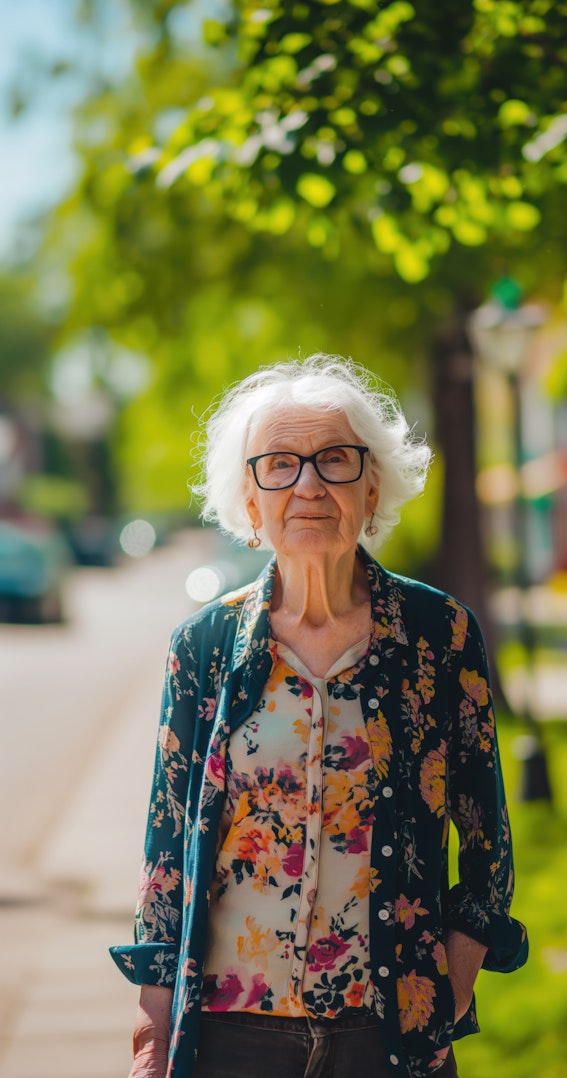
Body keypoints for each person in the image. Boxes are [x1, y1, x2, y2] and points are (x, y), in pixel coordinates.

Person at [111, 354, 528, 1078]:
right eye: (279, 464)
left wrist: (460, 967)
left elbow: (485, 823)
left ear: (372, 487)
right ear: (250, 501)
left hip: (389, 1031)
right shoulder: (203, 645)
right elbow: (167, 844)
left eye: (334, 460)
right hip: (230, 1032)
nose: (308, 485)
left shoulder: (440, 634)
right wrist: (152, 1027)